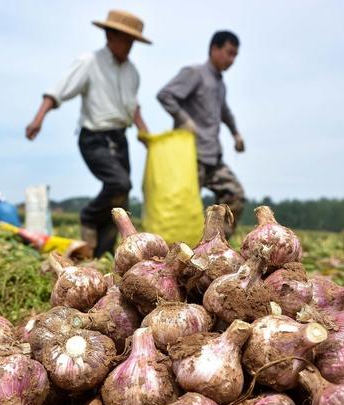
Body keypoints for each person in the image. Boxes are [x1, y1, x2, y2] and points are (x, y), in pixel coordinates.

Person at [25, 10, 151, 257]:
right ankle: (88, 215)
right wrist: (38, 119)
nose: (129, 46)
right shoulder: (90, 62)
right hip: (94, 137)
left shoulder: (132, 72)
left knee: (121, 198)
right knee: (119, 183)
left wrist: (144, 132)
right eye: (125, 39)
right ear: (109, 35)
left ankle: (101, 256)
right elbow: (58, 90)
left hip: (119, 138)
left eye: (132, 41)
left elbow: (133, 106)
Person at [157, 30, 245, 238]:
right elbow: (166, 95)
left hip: (212, 155)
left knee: (235, 196)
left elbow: (225, 112)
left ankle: (215, 246)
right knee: (183, 209)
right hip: (190, 156)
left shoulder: (220, 83)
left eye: (235, 55)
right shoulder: (194, 73)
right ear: (215, 49)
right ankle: (175, 254)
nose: (231, 59)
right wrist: (184, 120)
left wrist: (236, 134)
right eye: (229, 53)